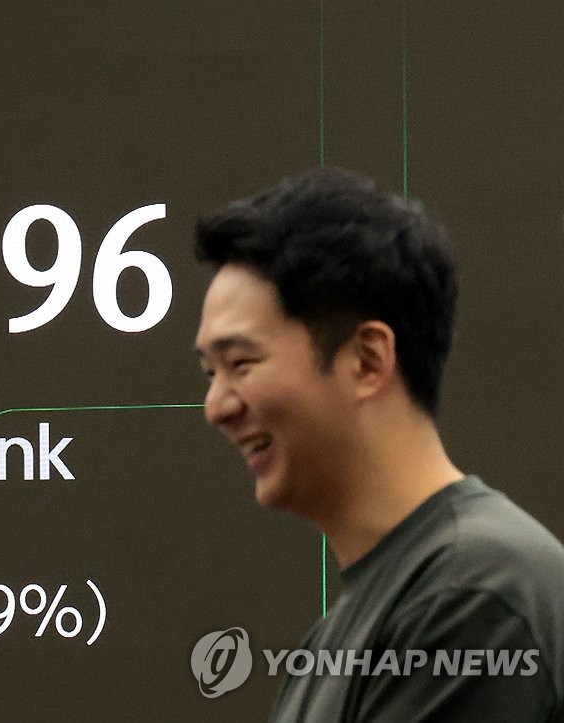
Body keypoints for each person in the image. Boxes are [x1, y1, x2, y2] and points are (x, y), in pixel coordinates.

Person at [192, 167, 564, 721]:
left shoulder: (471, 595)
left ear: (368, 360)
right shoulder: (355, 627)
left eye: (241, 363)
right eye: (209, 373)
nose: (216, 407)